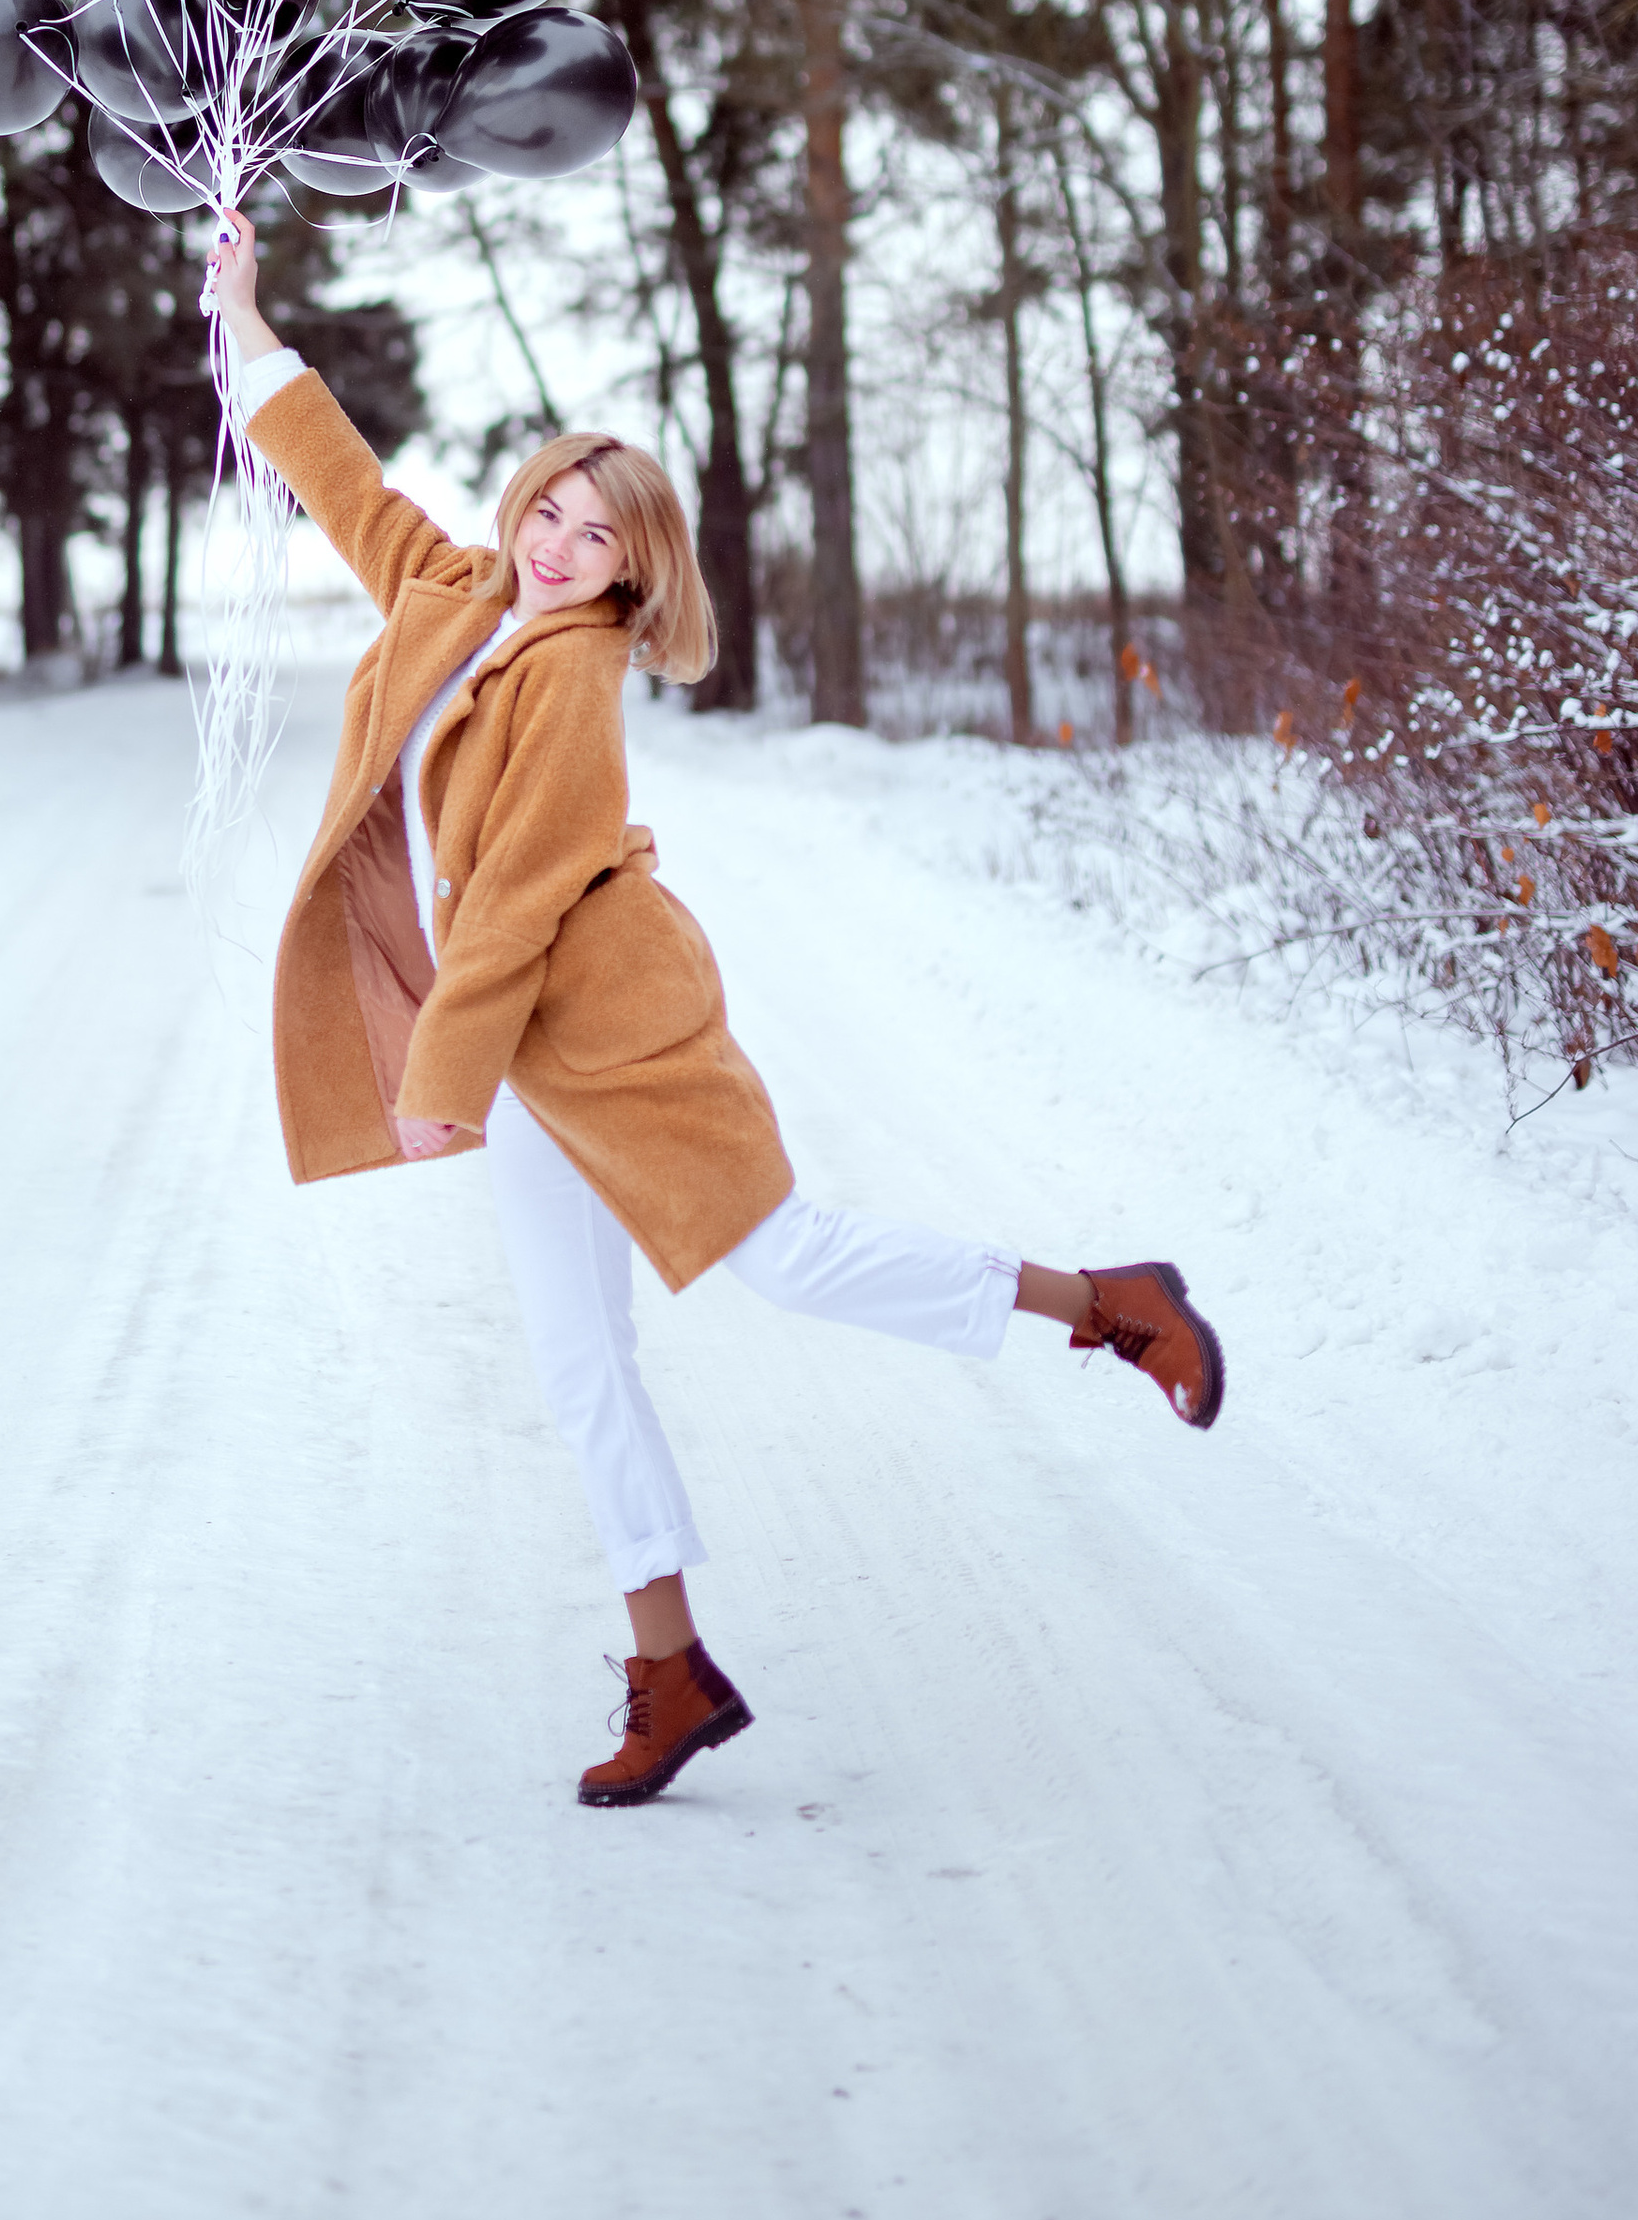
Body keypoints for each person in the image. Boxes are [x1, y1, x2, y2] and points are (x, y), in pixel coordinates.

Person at [204, 212, 1224, 1809]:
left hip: (612, 1034)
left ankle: (1107, 1301)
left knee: (785, 1256)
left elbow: (525, 899)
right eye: (550, 505)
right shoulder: (458, 595)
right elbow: (338, 472)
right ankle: (669, 1671)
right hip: (526, 1059)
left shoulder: (577, 684)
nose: (556, 541)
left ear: (634, 570)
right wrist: (245, 312)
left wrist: (441, 1080)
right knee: (576, 1356)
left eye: (595, 535)